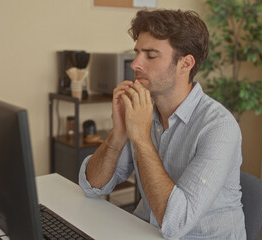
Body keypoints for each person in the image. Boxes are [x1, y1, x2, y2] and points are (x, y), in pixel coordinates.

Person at [79, 9, 246, 240]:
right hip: (145, 232)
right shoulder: (144, 111)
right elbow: (93, 186)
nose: (135, 63)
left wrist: (140, 138)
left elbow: (176, 223)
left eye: (151, 55)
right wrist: (117, 135)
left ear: (185, 64)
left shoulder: (219, 127)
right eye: (137, 53)